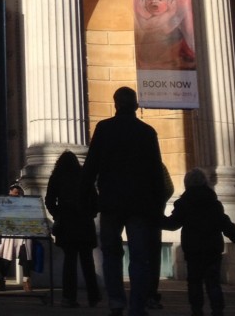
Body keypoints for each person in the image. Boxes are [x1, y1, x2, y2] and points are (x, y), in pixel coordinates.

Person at [81, 86, 166, 316]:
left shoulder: (104, 129)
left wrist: (89, 195)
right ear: (136, 105)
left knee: (111, 254)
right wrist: (158, 207)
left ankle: (116, 301)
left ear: (115, 104)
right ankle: (137, 306)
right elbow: (156, 173)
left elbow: (91, 167)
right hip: (140, 205)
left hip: (110, 203)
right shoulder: (147, 132)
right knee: (139, 257)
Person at [163, 168, 235, 316]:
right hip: (212, 249)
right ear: (205, 183)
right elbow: (226, 224)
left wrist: (157, 220)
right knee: (213, 282)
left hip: (193, 249)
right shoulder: (213, 203)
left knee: (194, 282)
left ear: (186, 183)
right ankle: (217, 310)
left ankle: (197, 310)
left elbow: (173, 224)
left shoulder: (183, 203)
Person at [45, 151, 100, 307]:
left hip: (67, 224)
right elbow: (95, 201)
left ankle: (69, 297)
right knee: (88, 262)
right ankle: (93, 296)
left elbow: (49, 200)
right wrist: (90, 214)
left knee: (69, 262)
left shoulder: (56, 177)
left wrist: (57, 214)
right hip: (84, 223)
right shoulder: (84, 177)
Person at [0, 183, 34, 292]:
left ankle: (26, 281)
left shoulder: (25, 203)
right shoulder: (4, 203)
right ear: (10, 192)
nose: (17, 195)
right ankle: (2, 279)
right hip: (9, 233)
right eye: (15, 193)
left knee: (25, 257)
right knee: (6, 258)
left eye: (18, 193)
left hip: (22, 234)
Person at [147, 163, 174, 310]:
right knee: (153, 258)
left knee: (139, 258)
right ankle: (150, 294)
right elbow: (169, 188)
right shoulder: (158, 165)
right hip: (154, 216)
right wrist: (159, 202)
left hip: (135, 216)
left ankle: (139, 294)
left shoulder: (128, 162)